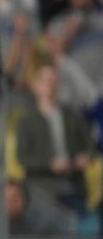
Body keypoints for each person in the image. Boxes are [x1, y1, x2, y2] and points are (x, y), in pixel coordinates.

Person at [16, 63, 94, 211]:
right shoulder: (26, 120)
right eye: (46, 81)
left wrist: (85, 156)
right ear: (35, 86)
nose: (51, 85)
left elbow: (90, 144)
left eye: (54, 81)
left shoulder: (72, 115)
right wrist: (49, 163)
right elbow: (22, 157)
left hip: (73, 185)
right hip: (41, 189)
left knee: (76, 229)